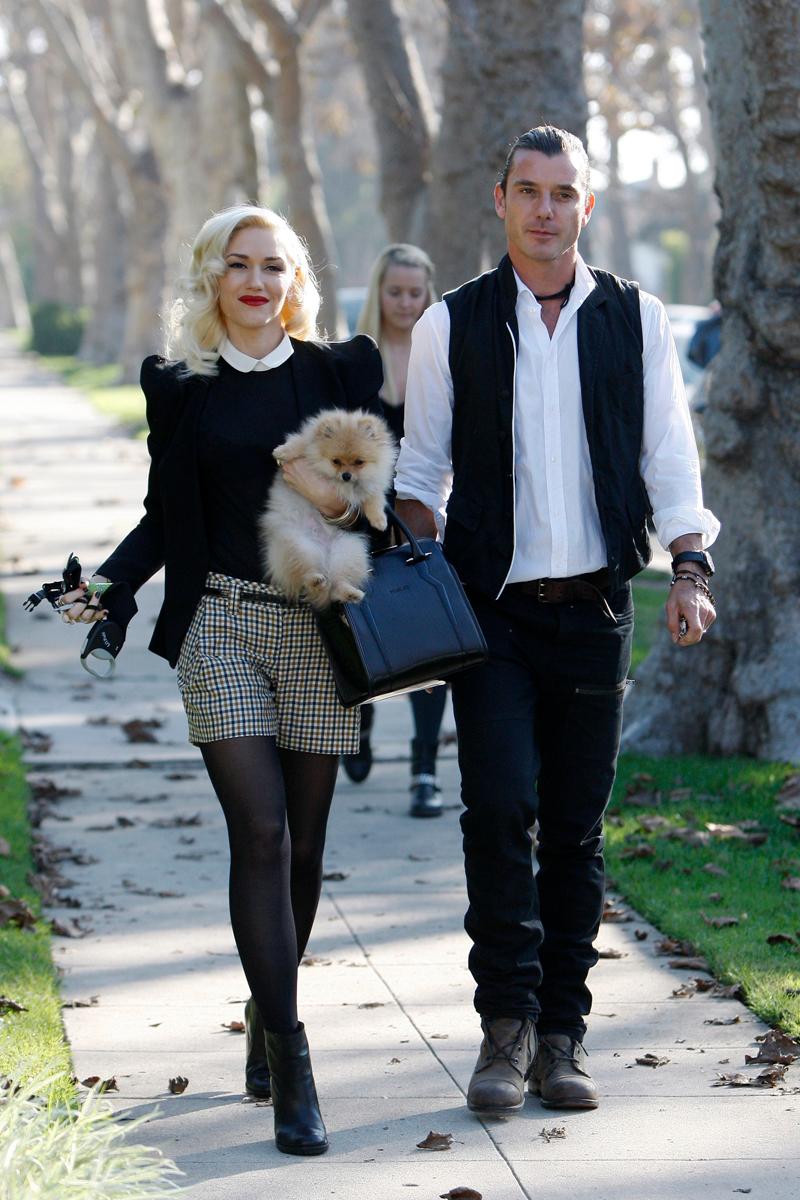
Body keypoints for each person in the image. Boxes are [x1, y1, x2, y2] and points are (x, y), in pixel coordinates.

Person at [395, 126, 719, 1116]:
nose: (544, 208)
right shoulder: (454, 323)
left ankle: (562, 1038)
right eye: (526, 190)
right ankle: (505, 1028)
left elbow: (668, 451)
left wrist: (689, 566)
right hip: (487, 615)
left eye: (561, 192)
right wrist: (405, 562)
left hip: (593, 613)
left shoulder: (634, 317)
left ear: (587, 206)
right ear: (497, 199)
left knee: (573, 833)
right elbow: (420, 471)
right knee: (497, 810)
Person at [57, 204, 385, 1156]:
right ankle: (290, 1057)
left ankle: (264, 995)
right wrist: (106, 593)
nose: (255, 281)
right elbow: (167, 513)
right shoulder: (180, 387)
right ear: (211, 278)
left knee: (308, 851)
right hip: (223, 625)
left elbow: (375, 491)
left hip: (322, 630)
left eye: (272, 266)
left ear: (294, 283)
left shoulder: (337, 372)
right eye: (238, 265)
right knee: (264, 833)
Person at [341, 244, 448, 819]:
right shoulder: (355, 360)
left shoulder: (442, 351)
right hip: (359, 518)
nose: (406, 303)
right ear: (378, 293)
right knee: (362, 630)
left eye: (416, 292)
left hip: (424, 518)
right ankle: (359, 720)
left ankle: (424, 769)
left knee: (430, 642)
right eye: (396, 292)